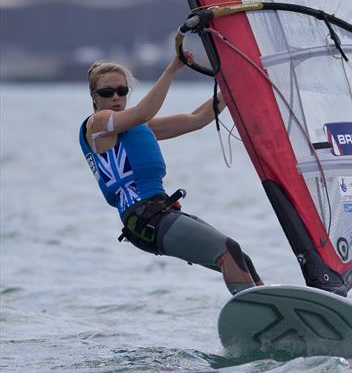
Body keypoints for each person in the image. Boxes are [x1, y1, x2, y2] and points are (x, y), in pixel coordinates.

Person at [79, 53, 263, 295]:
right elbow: (143, 112)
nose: (116, 97)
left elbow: (197, 119)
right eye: (106, 92)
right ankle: (254, 316)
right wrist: (172, 69)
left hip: (158, 212)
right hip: (143, 219)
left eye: (122, 91)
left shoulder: (137, 126)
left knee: (240, 257)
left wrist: (232, 86)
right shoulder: (97, 125)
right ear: (94, 97)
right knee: (227, 251)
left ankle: (272, 306)